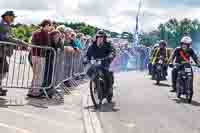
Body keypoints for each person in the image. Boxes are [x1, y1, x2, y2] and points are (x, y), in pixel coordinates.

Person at [0, 11, 28, 96]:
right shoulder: (4, 25)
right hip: (1, 51)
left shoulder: (4, 24)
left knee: (3, 69)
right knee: (4, 69)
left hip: (2, 51)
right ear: (7, 16)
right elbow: (7, 38)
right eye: (12, 17)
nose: (13, 19)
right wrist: (21, 42)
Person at [86, 30, 116, 98]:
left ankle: (109, 89)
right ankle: (97, 85)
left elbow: (112, 51)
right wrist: (86, 59)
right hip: (95, 63)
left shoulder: (108, 44)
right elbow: (87, 55)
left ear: (104, 38)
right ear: (96, 37)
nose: (100, 38)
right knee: (89, 71)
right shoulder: (92, 45)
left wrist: (111, 55)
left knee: (107, 73)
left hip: (105, 62)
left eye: (102, 37)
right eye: (98, 37)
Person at [27, 20, 52, 98]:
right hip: (40, 56)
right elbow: (45, 44)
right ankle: (35, 92)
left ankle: (31, 90)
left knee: (35, 74)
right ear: (46, 25)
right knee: (39, 74)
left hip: (34, 55)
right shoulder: (44, 33)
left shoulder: (35, 32)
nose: (50, 27)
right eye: (49, 25)